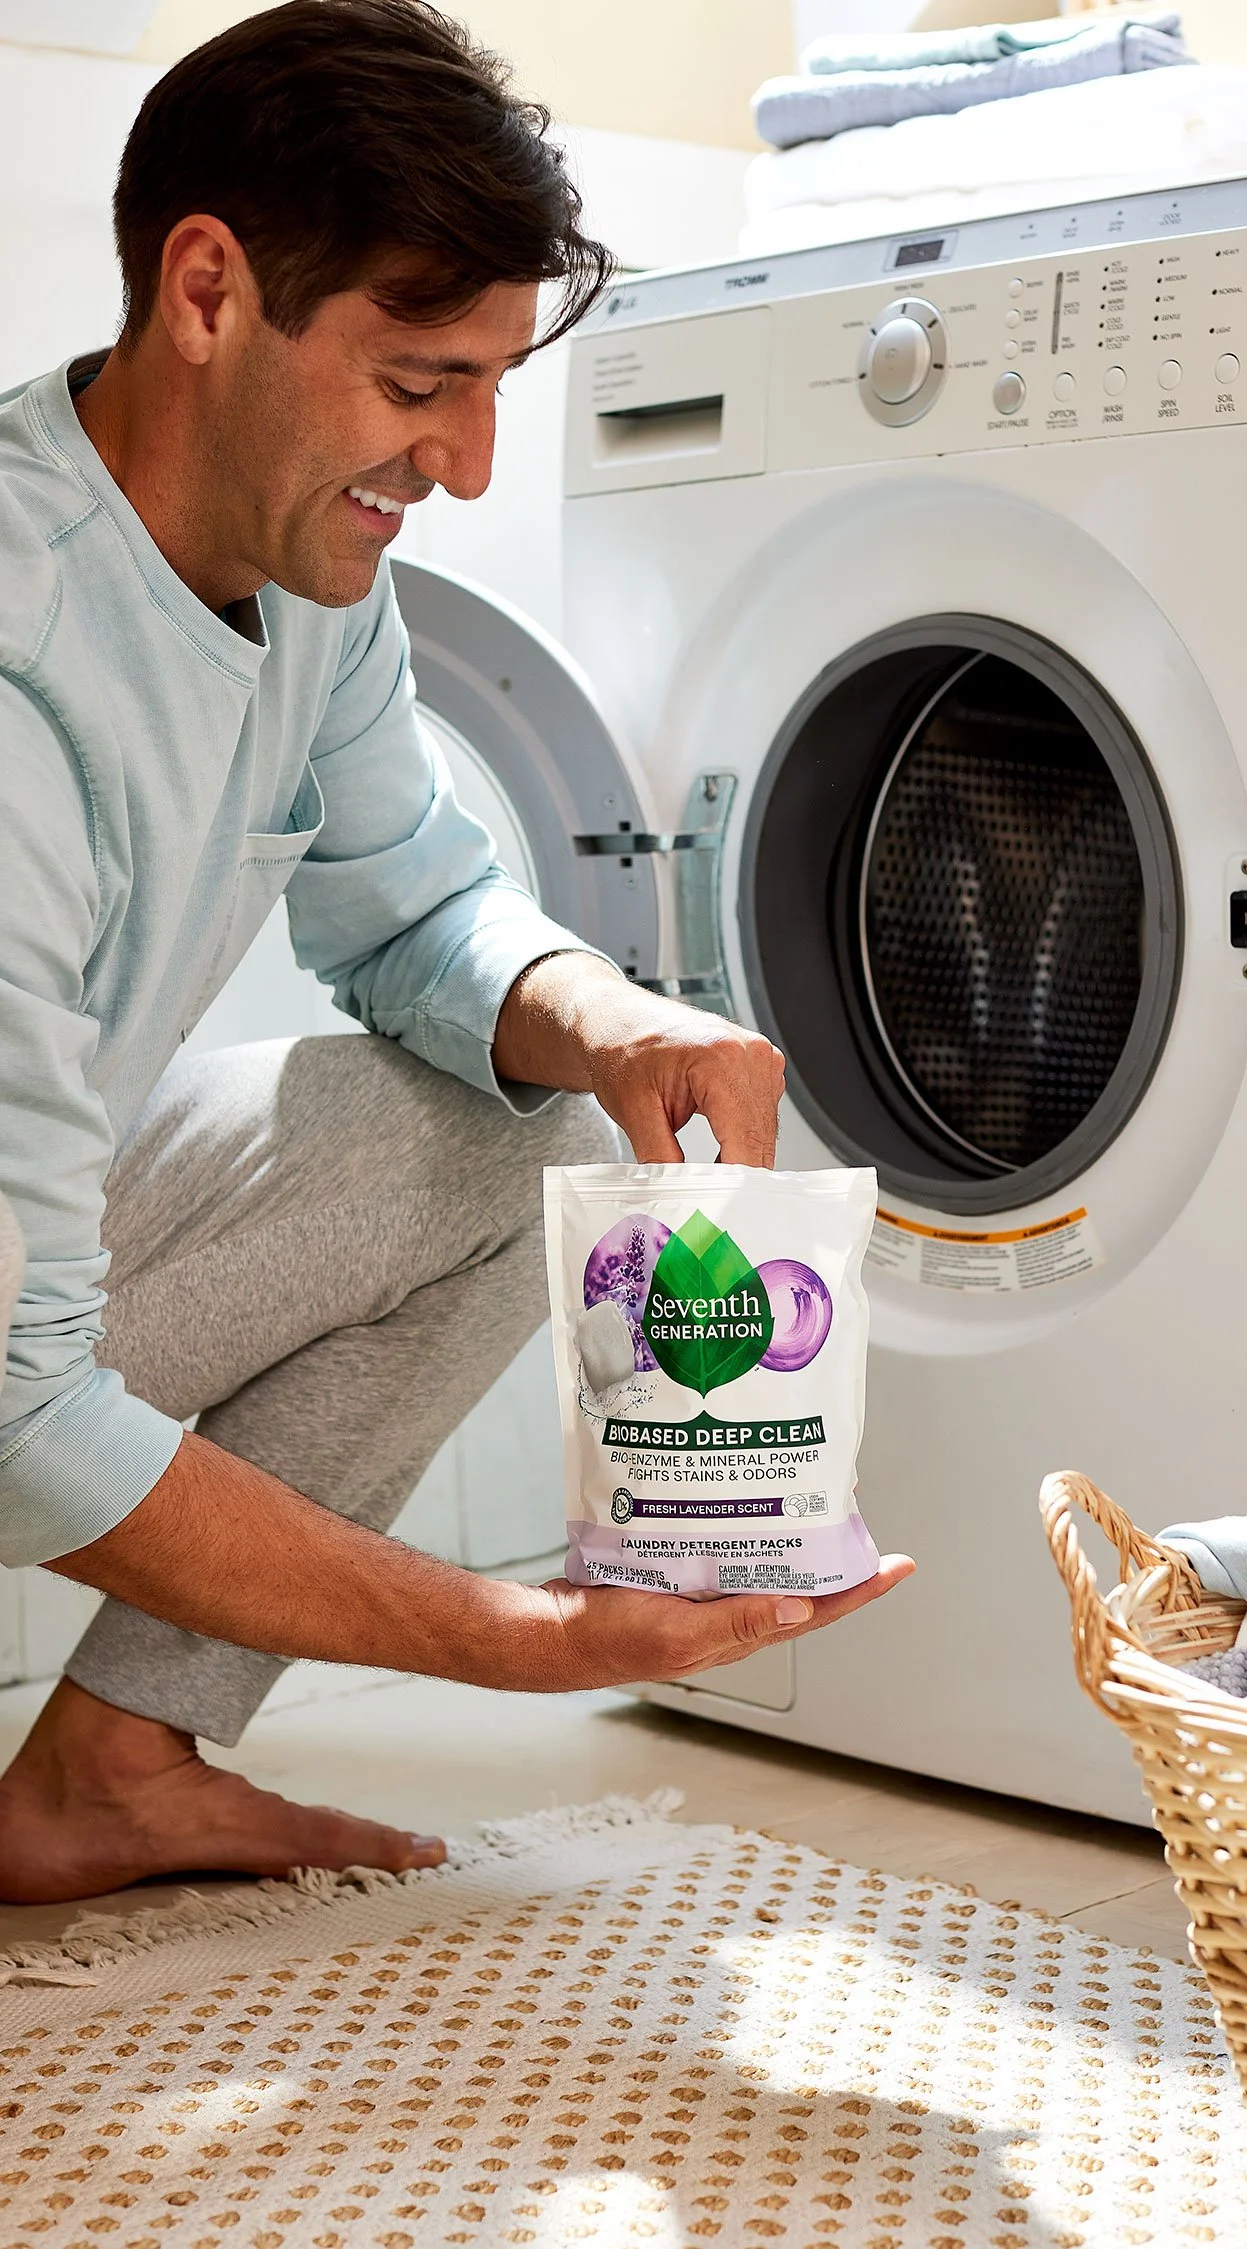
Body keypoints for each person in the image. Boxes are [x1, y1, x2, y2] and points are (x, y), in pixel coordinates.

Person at [0, 0, 912, 1908]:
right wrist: (525, 1640)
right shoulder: (23, 671)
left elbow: (412, 908)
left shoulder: (305, 584)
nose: (470, 464)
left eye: (493, 385)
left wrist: (618, 1020)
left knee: (510, 1136)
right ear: (205, 292)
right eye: (424, 381)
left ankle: (113, 1769)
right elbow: (13, 1414)